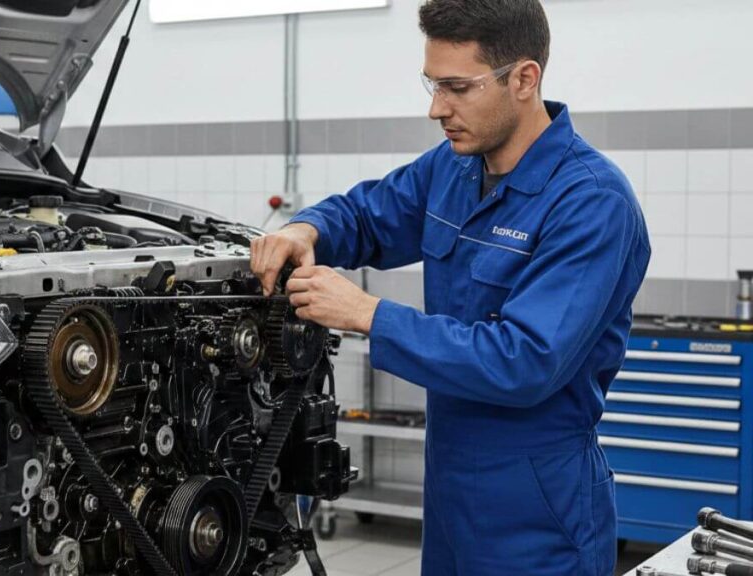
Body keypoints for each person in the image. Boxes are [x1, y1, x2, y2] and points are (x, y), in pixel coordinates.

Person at [249, 1, 651, 574]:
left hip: (539, 513)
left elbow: (525, 361)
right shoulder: (454, 168)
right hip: (450, 499)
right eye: (433, 84)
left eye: (458, 87)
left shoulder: (591, 201)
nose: (438, 108)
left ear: (524, 78)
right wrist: (304, 227)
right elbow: (368, 215)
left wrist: (368, 314)